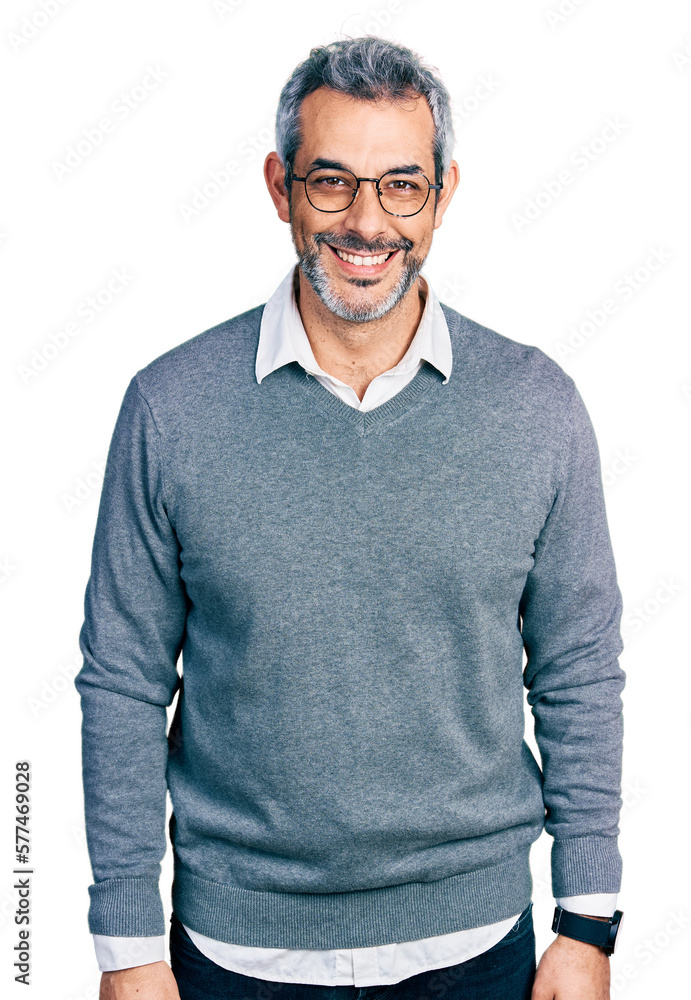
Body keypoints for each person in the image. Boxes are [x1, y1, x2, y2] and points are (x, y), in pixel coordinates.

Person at [75, 36, 626, 1000]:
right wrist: (126, 944)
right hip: (232, 954)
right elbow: (122, 680)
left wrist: (588, 923)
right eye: (331, 182)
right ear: (279, 187)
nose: (367, 221)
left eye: (401, 186)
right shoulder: (171, 408)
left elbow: (577, 667)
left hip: (477, 948)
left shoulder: (534, 407)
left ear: (442, 196)